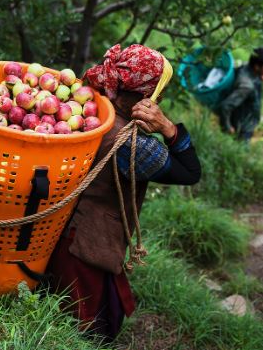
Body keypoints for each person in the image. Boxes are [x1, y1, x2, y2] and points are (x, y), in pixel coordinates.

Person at [44, 44, 201, 343]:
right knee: (86, 329)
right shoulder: (129, 144)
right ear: (144, 97)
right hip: (84, 245)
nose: (161, 99)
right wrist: (167, 128)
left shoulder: (84, 102)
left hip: (55, 229)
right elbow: (190, 172)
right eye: (158, 93)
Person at [218, 47, 263, 143]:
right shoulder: (246, 86)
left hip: (246, 118)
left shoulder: (246, 67)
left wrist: (259, 77)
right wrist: (228, 127)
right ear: (257, 66)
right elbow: (225, 106)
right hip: (241, 128)